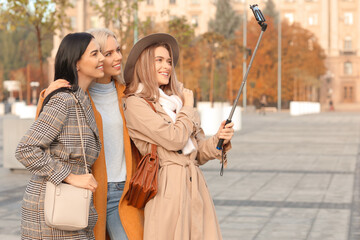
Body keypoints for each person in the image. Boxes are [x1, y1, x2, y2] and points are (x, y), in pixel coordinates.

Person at [122, 33, 234, 240]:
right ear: (145, 64)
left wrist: (219, 139)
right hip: (166, 188)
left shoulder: (176, 102)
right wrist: (188, 107)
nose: (167, 66)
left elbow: (197, 153)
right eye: (159, 60)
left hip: (195, 187)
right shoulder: (136, 103)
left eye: (169, 61)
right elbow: (174, 139)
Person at [37, 28, 144, 240]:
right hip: (87, 191)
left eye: (118, 50)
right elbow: (39, 139)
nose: (118, 57)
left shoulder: (128, 94)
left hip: (124, 192)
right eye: (108, 53)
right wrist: (46, 95)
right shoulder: (76, 95)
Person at [15, 32, 104, 239]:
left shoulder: (82, 100)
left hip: (70, 208)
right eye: (95, 54)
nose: (102, 58)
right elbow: (26, 149)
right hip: (50, 210)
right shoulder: (64, 100)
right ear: (77, 63)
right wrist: (70, 177)